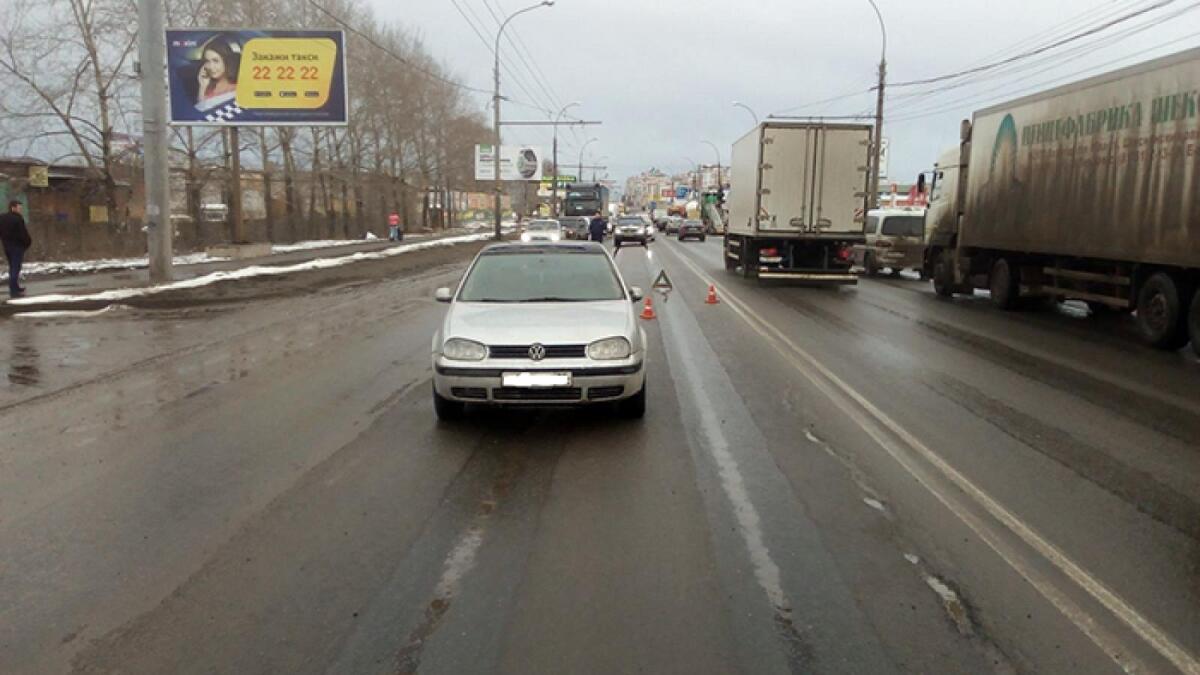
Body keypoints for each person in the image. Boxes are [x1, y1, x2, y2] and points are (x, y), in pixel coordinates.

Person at [196, 39, 239, 111]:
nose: (210, 66)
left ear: (226, 61)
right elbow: (201, 110)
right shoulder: (209, 84)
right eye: (207, 61)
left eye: (215, 61)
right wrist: (202, 87)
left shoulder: (236, 87)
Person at [0, 200, 32, 298]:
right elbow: (22, 233)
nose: (20, 210)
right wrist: (27, 242)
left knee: (12, 266)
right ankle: (13, 289)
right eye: (19, 207)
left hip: (7, 246)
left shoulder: (2, 218)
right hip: (17, 246)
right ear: (13, 208)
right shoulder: (17, 219)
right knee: (16, 267)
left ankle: (15, 287)